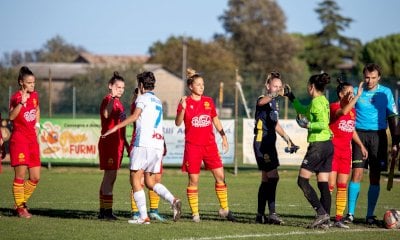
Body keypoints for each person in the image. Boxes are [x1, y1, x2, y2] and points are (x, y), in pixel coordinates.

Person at [102, 71, 181, 225]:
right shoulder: (157, 100)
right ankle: (173, 200)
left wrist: (114, 128)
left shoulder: (142, 98)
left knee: (135, 178)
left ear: (141, 85)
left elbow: (134, 116)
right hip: (157, 144)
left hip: (143, 143)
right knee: (150, 182)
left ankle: (143, 217)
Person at [175, 68, 235, 223]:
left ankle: (225, 209)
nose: (202, 87)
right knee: (194, 180)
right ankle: (195, 214)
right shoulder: (185, 102)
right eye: (198, 84)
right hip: (193, 146)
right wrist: (182, 108)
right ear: (191, 87)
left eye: (203, 84)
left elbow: (215, 119)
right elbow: (178, 122)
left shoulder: (208, 101)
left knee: (220, 176)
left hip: (210, 146)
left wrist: (223, 136)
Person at [343, 63, 399, 225]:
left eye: (373, 77)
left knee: (375, 177)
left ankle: (369, 215)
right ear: (363, 76)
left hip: (379, 137)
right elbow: (345, 110)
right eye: (367, 77)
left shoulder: (386, 93)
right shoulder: (355, 91)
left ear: (379, 77)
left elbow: (393, 118)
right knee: (357, 174)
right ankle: (350, 214)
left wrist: (395, 142)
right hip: (359, 136)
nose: (369, 80)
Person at [285, 73, 333, 228]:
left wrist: (308, 125)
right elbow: (303, 109)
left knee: (302, 180)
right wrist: (291, 97)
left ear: (311, 86)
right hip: (327, 145)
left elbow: (323, 123)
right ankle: (326, 220)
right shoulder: (322, 101)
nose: (307, 87)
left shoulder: (317, 103)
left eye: (307, 85)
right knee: (323, 183)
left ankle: (321, 213)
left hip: (318, 146)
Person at [253, 71, 299, 225]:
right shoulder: (264, 98)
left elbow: (275, 125)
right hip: (262, 143)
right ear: (268, 86)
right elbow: (261, 102)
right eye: (275, 86)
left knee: (266, 179)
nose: (278, 89)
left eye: (280, 87)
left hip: (269, 143)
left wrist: (288, 140)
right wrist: (275, 94)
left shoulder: (275, 104)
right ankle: (272, 214)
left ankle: (260, 215)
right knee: (274, 177)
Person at [328, 79, 368, 228]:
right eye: (349, 93)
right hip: (332, 151)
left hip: (346, 153)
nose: (352, 95)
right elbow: (343, 111)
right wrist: (357, 96)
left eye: (353, 92)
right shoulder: (334, 107)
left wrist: (361, 145)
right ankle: (324, 216)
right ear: (340, 94)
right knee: (330, 185)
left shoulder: (353, 111)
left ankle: (338, 219)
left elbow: (351, 130)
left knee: (342, 185)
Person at [128, 88, 166, 222]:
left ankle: (153, 211)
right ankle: (136, 212)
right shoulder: (138, 103)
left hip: (153, 143)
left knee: (155, 179)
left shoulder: (150, 102)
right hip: (140, 143)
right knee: (139, 181)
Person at [9, 66, 41, 218]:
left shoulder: (34, 95)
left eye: (33, 82)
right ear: (21, 83)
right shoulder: (16, 97)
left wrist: (37, 125)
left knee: (35, 177)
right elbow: (11, 117)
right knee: (20, 176)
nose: (32, 85)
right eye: (29, 83)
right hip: (20, 139)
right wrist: (21, 103)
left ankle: (19, 202)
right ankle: (20, 207)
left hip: (32, 140)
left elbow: (37, 108)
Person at [98, 71, 129, 220]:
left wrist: (127, 143)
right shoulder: (108, 99)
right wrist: (113, 98)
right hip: (110, 143)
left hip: (118, 143)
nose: (121, 90)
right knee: (110, 177)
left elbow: (120, 126)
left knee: (109, 177)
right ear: (110, 86)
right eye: (118, 87)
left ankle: (104, 211)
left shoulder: (119, 103)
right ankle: (106, 212)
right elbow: (105, 114)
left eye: (123, 87)